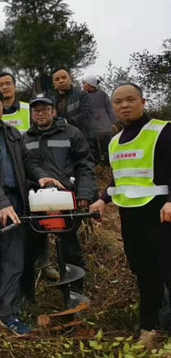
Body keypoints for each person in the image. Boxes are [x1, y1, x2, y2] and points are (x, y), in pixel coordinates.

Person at [0, 88, 62, 335]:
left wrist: (41, 177)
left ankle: (10, 314)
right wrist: (0, 203)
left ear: (2, 107)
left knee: (13, 263)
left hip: (16, 205)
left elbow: (27, 162)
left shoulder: (13, 133)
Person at [90, 83, 171, 347]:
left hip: (160, 212)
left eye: (130, 99)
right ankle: (150, 327)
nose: (124, 105)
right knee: (144, 271)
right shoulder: (114, 142)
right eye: (118, 102)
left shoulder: (162, 130)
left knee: (167, 269)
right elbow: (120, 179)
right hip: (131, 216)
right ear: (112, 107)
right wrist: (102, 200)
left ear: (143, 101)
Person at [21, 95, 96, 305]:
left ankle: (75, 292)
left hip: (65, 199)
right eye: (36, 110)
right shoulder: (24, 138)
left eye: (45, 109)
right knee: (30, 248)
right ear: (32, 114)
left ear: (54, 111)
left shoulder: (71, 133)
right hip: (34, 201)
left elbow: (85, 165)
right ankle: (28, 296)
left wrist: (84, 194)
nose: (41, 114)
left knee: (70, 247)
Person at [82, 75, 117, 165]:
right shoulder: (83, 96)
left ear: (90, 84)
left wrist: (113, 123)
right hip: (91, 127)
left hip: (104, 126)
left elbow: (109, 108)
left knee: (106, 148)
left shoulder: (102, 94)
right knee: (94, 149)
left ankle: (107, 165)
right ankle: (97, 166)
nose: (83, 85)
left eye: (84, 83)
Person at [53, 68, 94, 142]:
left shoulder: (82, 95)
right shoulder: (51, 102)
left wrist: (66, 122)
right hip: (62, 141)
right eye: (57, 79)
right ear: (54, 84)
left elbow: (87, 114)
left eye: (64, 77)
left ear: (70, 79)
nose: (61, 81)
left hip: (82, 139)